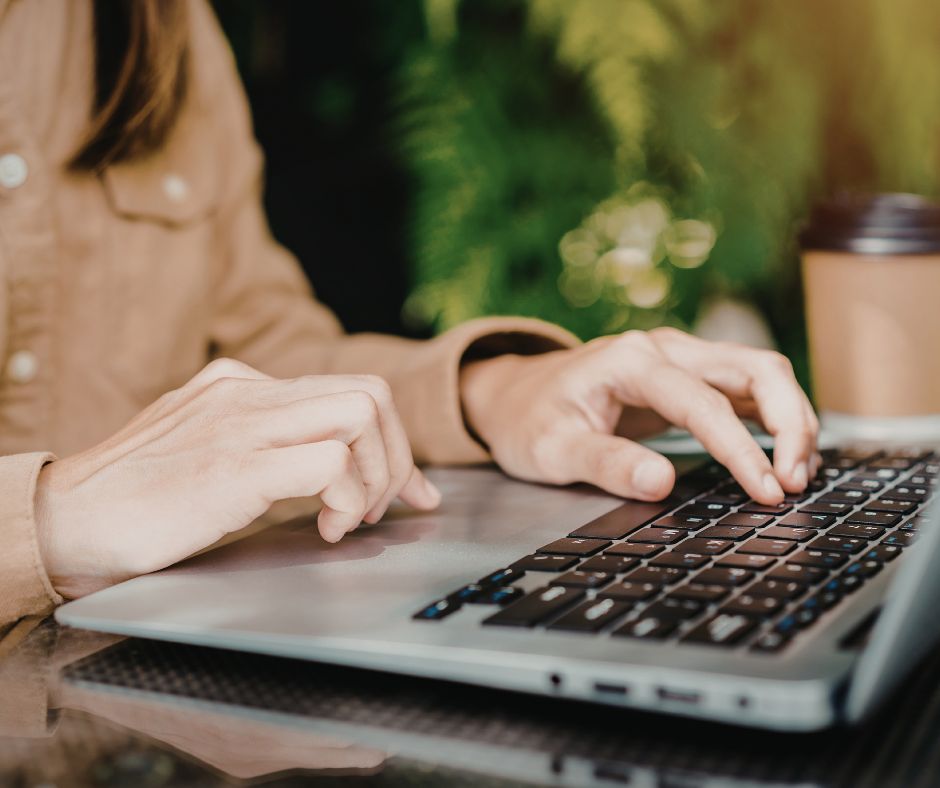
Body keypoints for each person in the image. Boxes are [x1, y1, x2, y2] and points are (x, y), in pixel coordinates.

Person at [0, 0, 818, 625]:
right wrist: (50, 520)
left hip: (149, 685)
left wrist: (490, 392)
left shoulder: (154, 22)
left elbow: (263, 348)